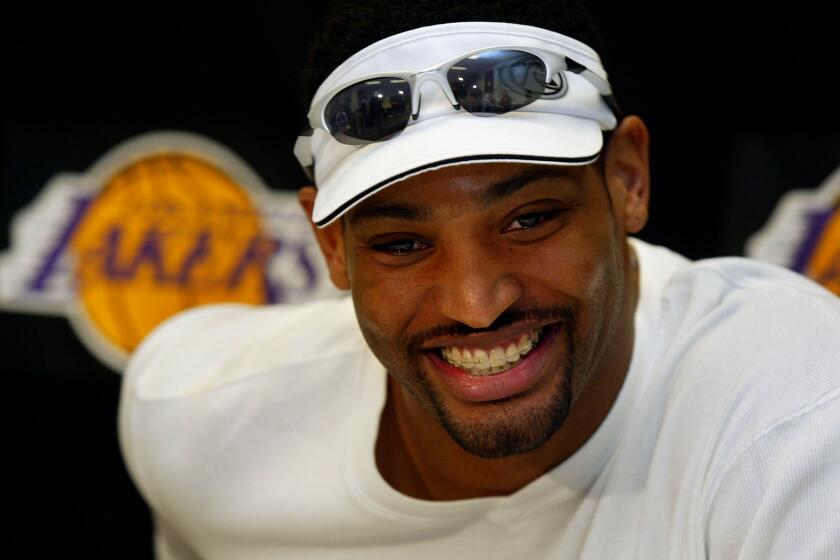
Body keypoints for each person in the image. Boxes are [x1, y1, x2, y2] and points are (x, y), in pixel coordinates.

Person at [118, 1, 840, 558]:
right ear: (332, 246)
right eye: (403, 243)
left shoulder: (797, 414)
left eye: (529, 220)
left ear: (626, 179)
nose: (475, 303)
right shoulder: (198, 417)